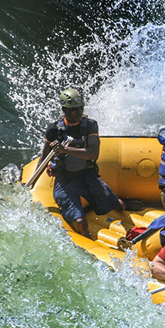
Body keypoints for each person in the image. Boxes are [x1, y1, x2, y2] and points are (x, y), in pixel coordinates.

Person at [38, 88, 127, 238]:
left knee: (119, 206)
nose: (79, 112)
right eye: (74, 110)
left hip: (87, 176)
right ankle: (88, 243)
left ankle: (123, 204)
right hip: (64, 180)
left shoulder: (90, 126)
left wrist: (65, 149)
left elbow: (93, 153)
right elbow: (44, 156)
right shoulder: (54, 129)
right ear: (64, 109)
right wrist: (33, 182)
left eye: (81, 108)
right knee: (80, 221)